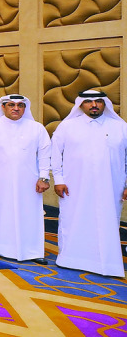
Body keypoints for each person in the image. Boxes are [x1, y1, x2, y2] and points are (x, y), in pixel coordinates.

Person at [50, 90, 127, 277]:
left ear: (105, 104)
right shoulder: (67, 126)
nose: (94, 105)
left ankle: (107, 264)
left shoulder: (120, 127)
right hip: (75, 186)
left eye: (99, 101)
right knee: (74, 220)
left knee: (107, 221)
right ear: (80, 105)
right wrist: (58, 180)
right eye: (89, 102)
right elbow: (55, 155)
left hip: (111, 186)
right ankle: (70, 259)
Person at [0, 94, 49, 263]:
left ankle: (32, 251)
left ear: (25, 108)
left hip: (28, 181)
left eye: (20, 105)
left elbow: (45, 154)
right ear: (3, 107)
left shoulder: (36, 128)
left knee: (29, 214)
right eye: (11, 105)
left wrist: (44, 177)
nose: (16, 108)